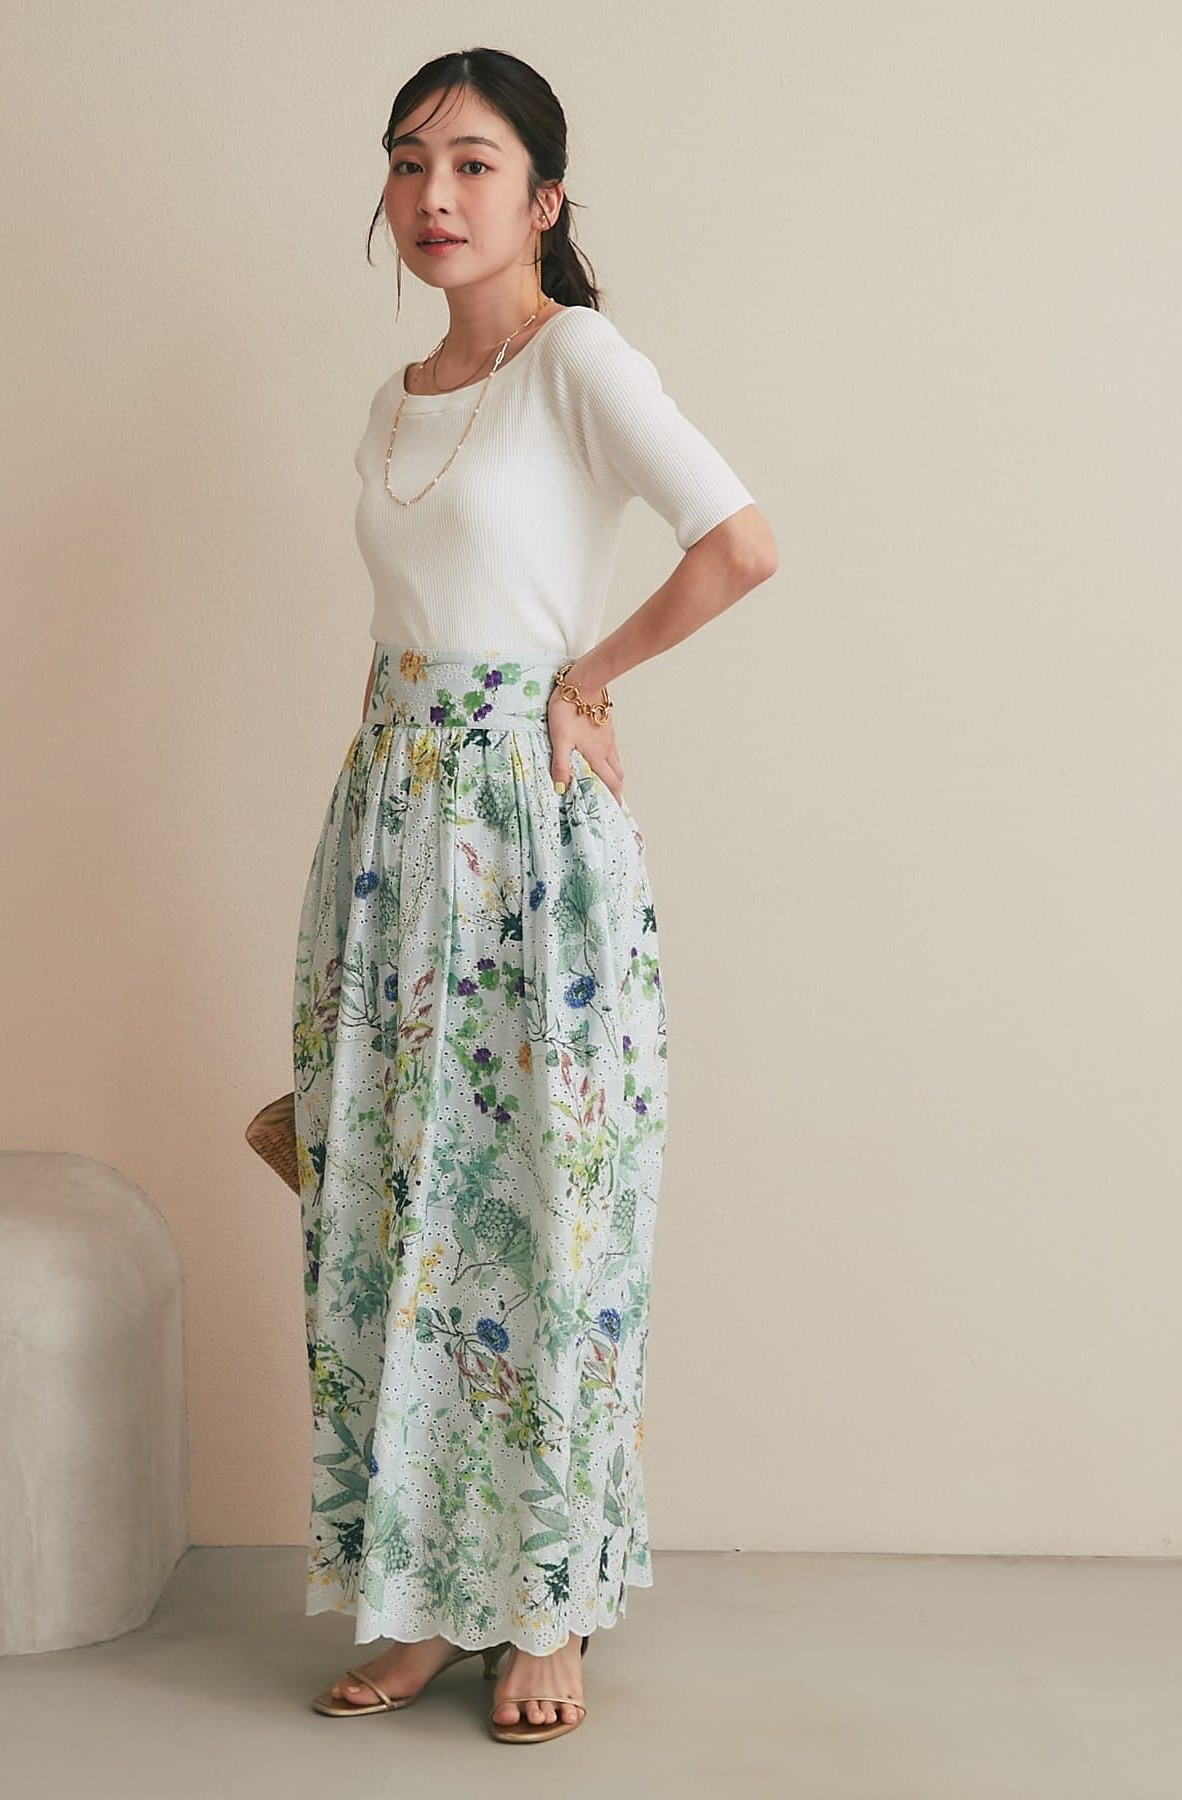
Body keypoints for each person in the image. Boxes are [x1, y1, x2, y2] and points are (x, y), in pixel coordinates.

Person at [291, 47, 778, 1744]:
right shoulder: (397, 395)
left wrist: (588, 679)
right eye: (408, 161)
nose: (434, 194)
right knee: (396, 1211)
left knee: (545, 1212)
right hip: (389, 825)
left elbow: (738, 542)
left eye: (475, 163)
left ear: (543, 197)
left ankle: (548, 1605)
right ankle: (427, 1594)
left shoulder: (577, 358)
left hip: (525, 836)